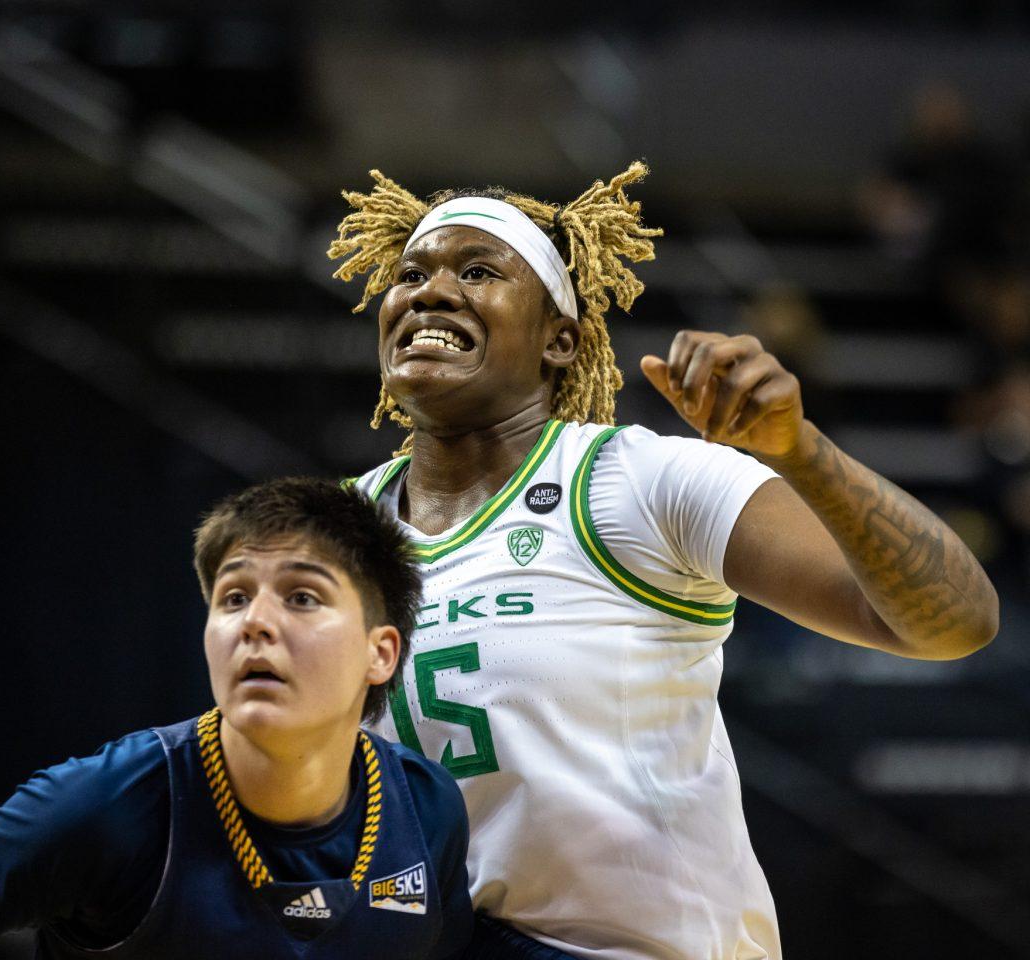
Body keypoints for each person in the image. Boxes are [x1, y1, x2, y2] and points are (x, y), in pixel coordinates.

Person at [327, 164, 999, 959]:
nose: (430, 292)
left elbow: (956, 621)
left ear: (560, 339)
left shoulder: (638, 479)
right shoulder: (334, 535)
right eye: (410, 275)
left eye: (477, 271)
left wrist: (801, 454)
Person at [0, 478, 474, 959]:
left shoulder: (428, 811)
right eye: (233, 597)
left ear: (379, 652)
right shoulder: (105, 803)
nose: (255, 622)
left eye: (302, 597)